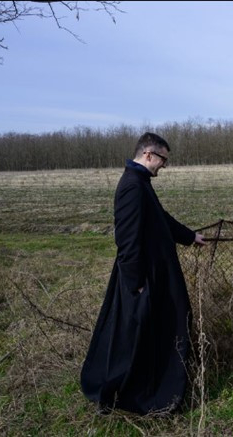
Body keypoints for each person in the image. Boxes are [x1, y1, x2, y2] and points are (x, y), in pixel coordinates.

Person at [80, 132, 205, 416]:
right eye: (163, 159)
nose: (164, 165)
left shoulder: (141, 182)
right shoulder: (132, 186)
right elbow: (126, 240)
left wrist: (190, 236)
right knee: (136, 335)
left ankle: (159, 389)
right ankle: (133, 395)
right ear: (148, 154)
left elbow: (161, 218)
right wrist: (135, 284)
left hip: (154, 274)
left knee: (161, 327)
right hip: (143, 278)